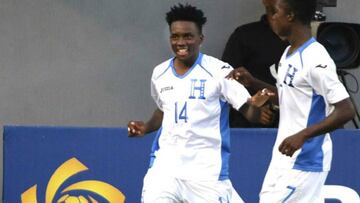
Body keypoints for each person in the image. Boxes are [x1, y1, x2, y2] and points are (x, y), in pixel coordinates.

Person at [127, 3, 273, 203]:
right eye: (175, 36)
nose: (181, 42)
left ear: (200, 39)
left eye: (188, 36)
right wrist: (146, 127)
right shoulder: (159, 73)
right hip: (165, 172)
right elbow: (163, 110)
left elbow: (248, 110)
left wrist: (257, 107)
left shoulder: (220, 71)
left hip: (206, 175)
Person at [227, 0, 356, 202]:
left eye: (274, 12)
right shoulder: (288, 53)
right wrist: (252, 82)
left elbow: (345, 110)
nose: (271, 18)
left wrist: (302, 136)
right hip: (283, 155)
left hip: (306, 157)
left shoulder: (316, 58)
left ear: (290, 16)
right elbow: (289, 96)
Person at [222, 10, 288, 128]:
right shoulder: (245, 35)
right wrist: (250, 109)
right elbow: (226, 80)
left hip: (295, 128)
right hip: (250, 130)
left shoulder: (303, 43)